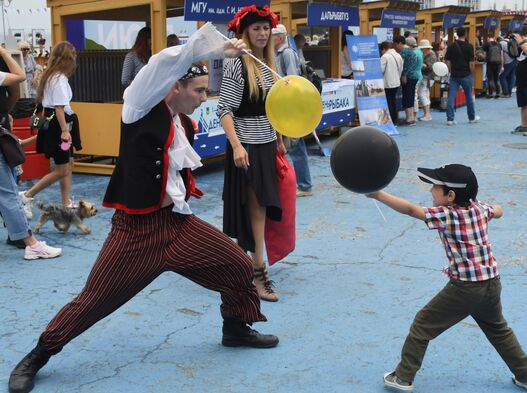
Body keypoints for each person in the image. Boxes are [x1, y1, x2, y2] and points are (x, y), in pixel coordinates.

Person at [7, 23, 278, 393]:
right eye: (198, 91)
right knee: (94, 300)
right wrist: (209, 47)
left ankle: (235, 327)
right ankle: (38, 355)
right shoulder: (137, 105)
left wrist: (217, 55)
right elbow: (162, 64)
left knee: (238, 265)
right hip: (136, 232)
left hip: (177, 225)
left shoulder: (179, 121)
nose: (203, 98)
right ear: (174, 86)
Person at [369, 164, 527, 392]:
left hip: (465, 288)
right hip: (491, 282)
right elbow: (497, 210)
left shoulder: (447, 215)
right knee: (498, 329)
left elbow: (411, 210)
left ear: (450, 196)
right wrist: (496, 209)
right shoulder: (480, 208)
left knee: (422, 325)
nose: (431, 190)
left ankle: (403, 377)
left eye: (435, 187)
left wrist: (378, 194)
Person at [217, 5, 286, 302]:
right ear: (245, 32)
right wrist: (236, 145)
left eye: (265, 28)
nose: (262, 33)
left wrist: (280, 137)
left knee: (260, 207)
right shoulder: (237, 64)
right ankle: (258, 270)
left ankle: (246, 266)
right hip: (245, 145)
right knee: (255, 207)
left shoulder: (269, 64)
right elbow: (224, 109)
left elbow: (275, 108)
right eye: (256, 28)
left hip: (267, 143)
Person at [0, 46, 62, 259]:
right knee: (62, 169)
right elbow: (55, 109)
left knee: (65, 168)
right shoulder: (52, 78)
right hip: (51, 125)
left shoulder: (45, 76)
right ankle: (30, 241)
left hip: (44, 123)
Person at [19, 42, 82, 219]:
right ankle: (27, 196)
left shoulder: (50, 75)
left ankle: (66, 202)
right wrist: (64, 131)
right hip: (59, 128)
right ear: (68, 60)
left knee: (68, 164)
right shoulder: (59, 79)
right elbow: (59, 108)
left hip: (56, 125)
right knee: (62, 168)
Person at [272, 24, 313, 198]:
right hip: (285, 104)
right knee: (292, 145)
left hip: (289, 105)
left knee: (296, 145)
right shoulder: (280, 53)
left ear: (280, 38)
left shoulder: (287, 53)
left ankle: (304, 185)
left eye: (272, 36)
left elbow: (291, 80)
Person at [444, 27, 480, 126]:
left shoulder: (451, 46)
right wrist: (471, 74)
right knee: (469, 96)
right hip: (466, 74)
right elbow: (471, 63)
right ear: (465, 34)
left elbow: (447, 61)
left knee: (451, 96)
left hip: (454, 75)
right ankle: (471, 117)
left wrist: (451, 70)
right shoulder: (469, 46)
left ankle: (450, 119)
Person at [380, 41, 403, 125]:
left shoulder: (385, 57)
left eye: (381, 50)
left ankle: (390, 120)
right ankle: (395, 119)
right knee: (393, 101)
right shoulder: (398, 55)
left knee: (388, 101)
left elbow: (380, 70)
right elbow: (401, 69)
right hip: (396, 82)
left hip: (387, 83)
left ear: (384, 49)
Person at [399, 36, 419, 126]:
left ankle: (409, 119)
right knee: (411, 96)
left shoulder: (404, 51)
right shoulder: (413, 52)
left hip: (407, 76)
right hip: (414, 76)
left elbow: (402, 65)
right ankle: (411, 118)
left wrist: (403, 74)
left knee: (407, 96)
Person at [418, 39, 436, 121]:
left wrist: (420, 64)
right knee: (425, 94)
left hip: (428, 77)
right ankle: (427, 114)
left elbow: (430, 67)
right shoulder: (427, 53)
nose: (422, 50)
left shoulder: (431, 54)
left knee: (422, 94)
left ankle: (427, 114)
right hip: (427, 77)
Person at [499, 31, 517, 98]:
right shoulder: (511, 41)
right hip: (514, 60)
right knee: (512, 76)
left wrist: (502, 65)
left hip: (507, 62)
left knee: (502, 77)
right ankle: (509, 92)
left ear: (503, 35)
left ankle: (505, 93)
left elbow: (501, 55)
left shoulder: (501, 43)